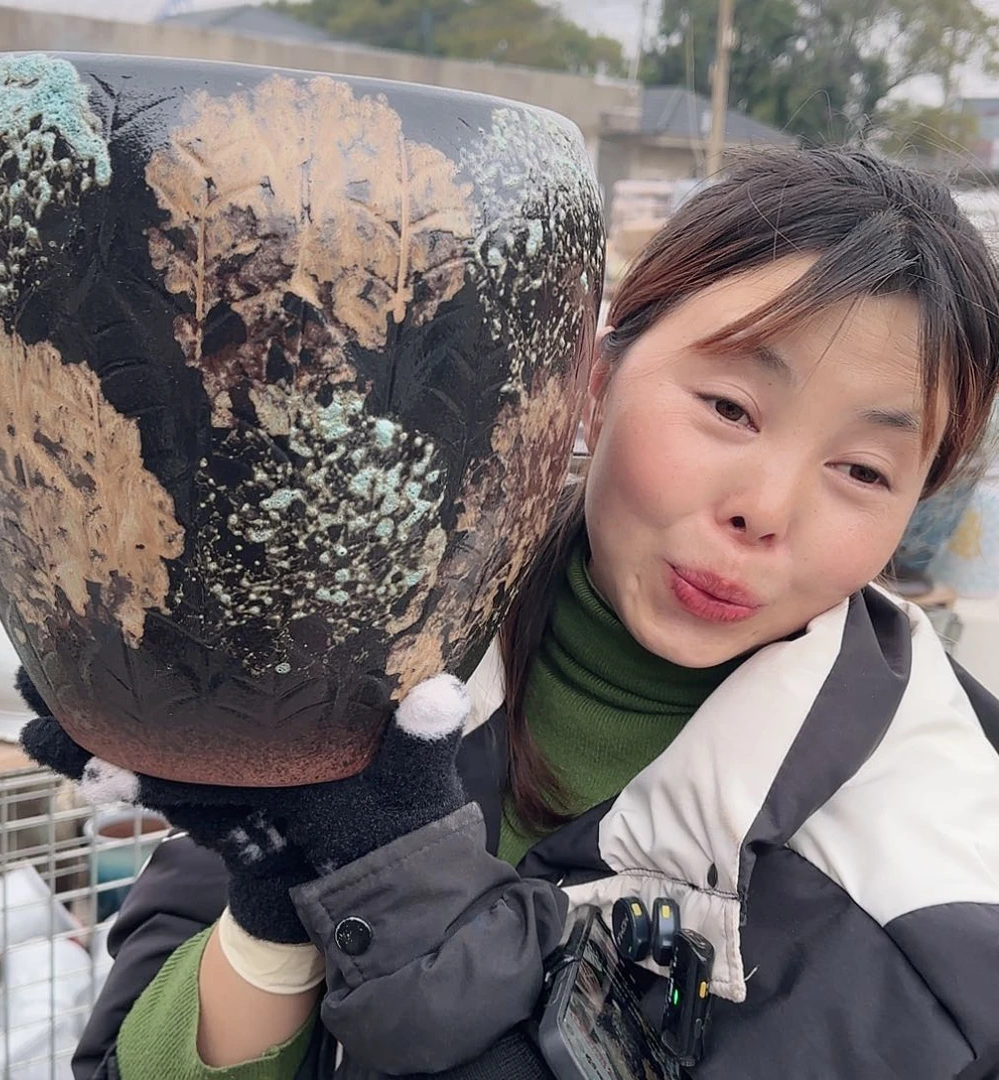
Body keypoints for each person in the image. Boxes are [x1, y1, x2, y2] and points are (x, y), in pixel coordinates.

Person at [64, 148, 999, 1080]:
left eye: (864, 471)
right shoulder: (377, 633)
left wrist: (400, 898)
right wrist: (270, 918)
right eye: (729, 406)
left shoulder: (932, 883)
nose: (767, 508)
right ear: (592, 387)